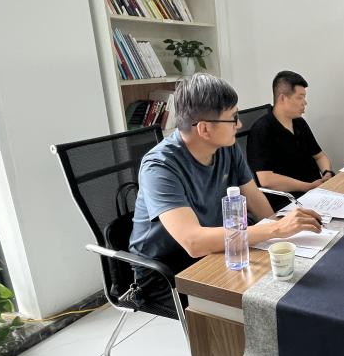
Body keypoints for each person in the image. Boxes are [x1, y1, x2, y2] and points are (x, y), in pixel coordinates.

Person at [128, 74, 321, 310]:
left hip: (218, 247)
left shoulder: (225, 148)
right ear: (205, 128)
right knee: (255, 306)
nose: (239, 125)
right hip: (167, 270)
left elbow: (256, 200)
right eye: (233, 118)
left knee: (289, 285)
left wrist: (284, 235)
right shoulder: (159, 167)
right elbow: (194, 242)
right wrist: (276, 229)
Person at [247, 70, 334, 209]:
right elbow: (266, 180)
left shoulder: (299, 123)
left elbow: (319, 156)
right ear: (283, 98)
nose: (305, 102)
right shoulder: (262, 130)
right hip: (288, 201)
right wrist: (308, 186)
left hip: (316, 193)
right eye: (300, 97)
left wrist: (327, 173)